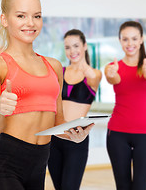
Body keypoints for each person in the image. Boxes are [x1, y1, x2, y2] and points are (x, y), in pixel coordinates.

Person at [0, 0, 93, 190]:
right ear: (5, 20)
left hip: (39, 166)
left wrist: (73, 134)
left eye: (37, 16)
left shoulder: (54, 66)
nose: (30, 23)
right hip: (4, 166)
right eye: (21, 16)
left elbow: (58, 123)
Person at [105, 21, 146, 190]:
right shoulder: (113, 67)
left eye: (134, 38)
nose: (130, 43)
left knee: (141, 187)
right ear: (120, 41)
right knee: (122, 186)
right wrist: (111, 74)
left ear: (141, 40)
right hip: (117, 134)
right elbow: (113, 78)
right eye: (125, 39)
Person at [48, 29, 102, 190]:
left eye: (76, 46)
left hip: (76, 139)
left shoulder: (94, 74)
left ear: (85, 46)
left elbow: (94, 78)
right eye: (68, 47)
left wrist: (86, 69)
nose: (72, 51)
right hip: (55, 137)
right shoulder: (60, 72)